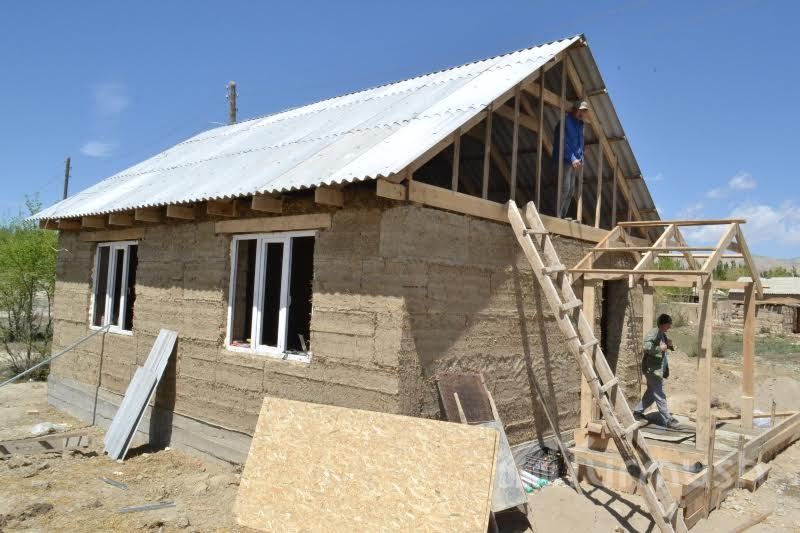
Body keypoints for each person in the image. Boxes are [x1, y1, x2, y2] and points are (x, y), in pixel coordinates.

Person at [633, 313, 681, 429]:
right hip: (652, 370)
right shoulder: (654, 332)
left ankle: (637, 412)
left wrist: (669, 345)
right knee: (659, 394)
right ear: (663, 324)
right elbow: (646, 347)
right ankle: (668, 419)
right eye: (668, 325)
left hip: (656, 370)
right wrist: (660, 348)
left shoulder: (662, 334)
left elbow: (665, 346)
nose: (669, 327)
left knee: (651, 393)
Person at [552, 100, 588, 219]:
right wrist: (572, 158)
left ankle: (562, 215)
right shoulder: (565, 122)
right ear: (574, 110)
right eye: (580, 111)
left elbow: (579, 143)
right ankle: (556, 215)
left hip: (574, 162)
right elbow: (562, 142)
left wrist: (581, 157)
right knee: (565, 187)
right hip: (564, 160)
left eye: (584, 111)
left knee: (571, 190)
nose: (582, 113)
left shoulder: (580, 125)